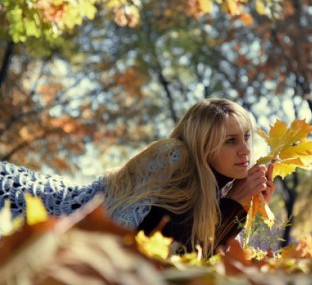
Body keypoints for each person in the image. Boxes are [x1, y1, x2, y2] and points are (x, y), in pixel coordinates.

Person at [0, 98, 276, 257]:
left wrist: (244, 204)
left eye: (246, 137)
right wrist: (235, 203)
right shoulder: (173, 158)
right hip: (30, 205)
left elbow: (203, 260)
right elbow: (170, 255)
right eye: (230, 141)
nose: (245, 150)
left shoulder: (222, 187)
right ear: (204, 145)